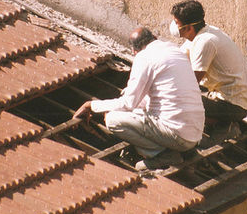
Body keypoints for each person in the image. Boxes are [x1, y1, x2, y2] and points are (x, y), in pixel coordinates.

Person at [73, 27, 204, 170]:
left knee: (112, 119)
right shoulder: (174, 50)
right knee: (132, 110)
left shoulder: (143, 57)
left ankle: (162, 154)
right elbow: (146, 99)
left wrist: (91, 105)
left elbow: (129, 103)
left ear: (135, 51)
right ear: (154, 36)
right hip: (195, 134)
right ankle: (179, 149)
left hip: (177, 136)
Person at [169, 0, 247, 127]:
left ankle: (221, 126)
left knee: (174, 102)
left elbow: (192, 83)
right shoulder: (202, 33)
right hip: (228, 98)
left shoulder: (205, 42)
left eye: (176, 23)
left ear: (188, 27)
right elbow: (178, 57)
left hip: (234, 105)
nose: (174, 25)